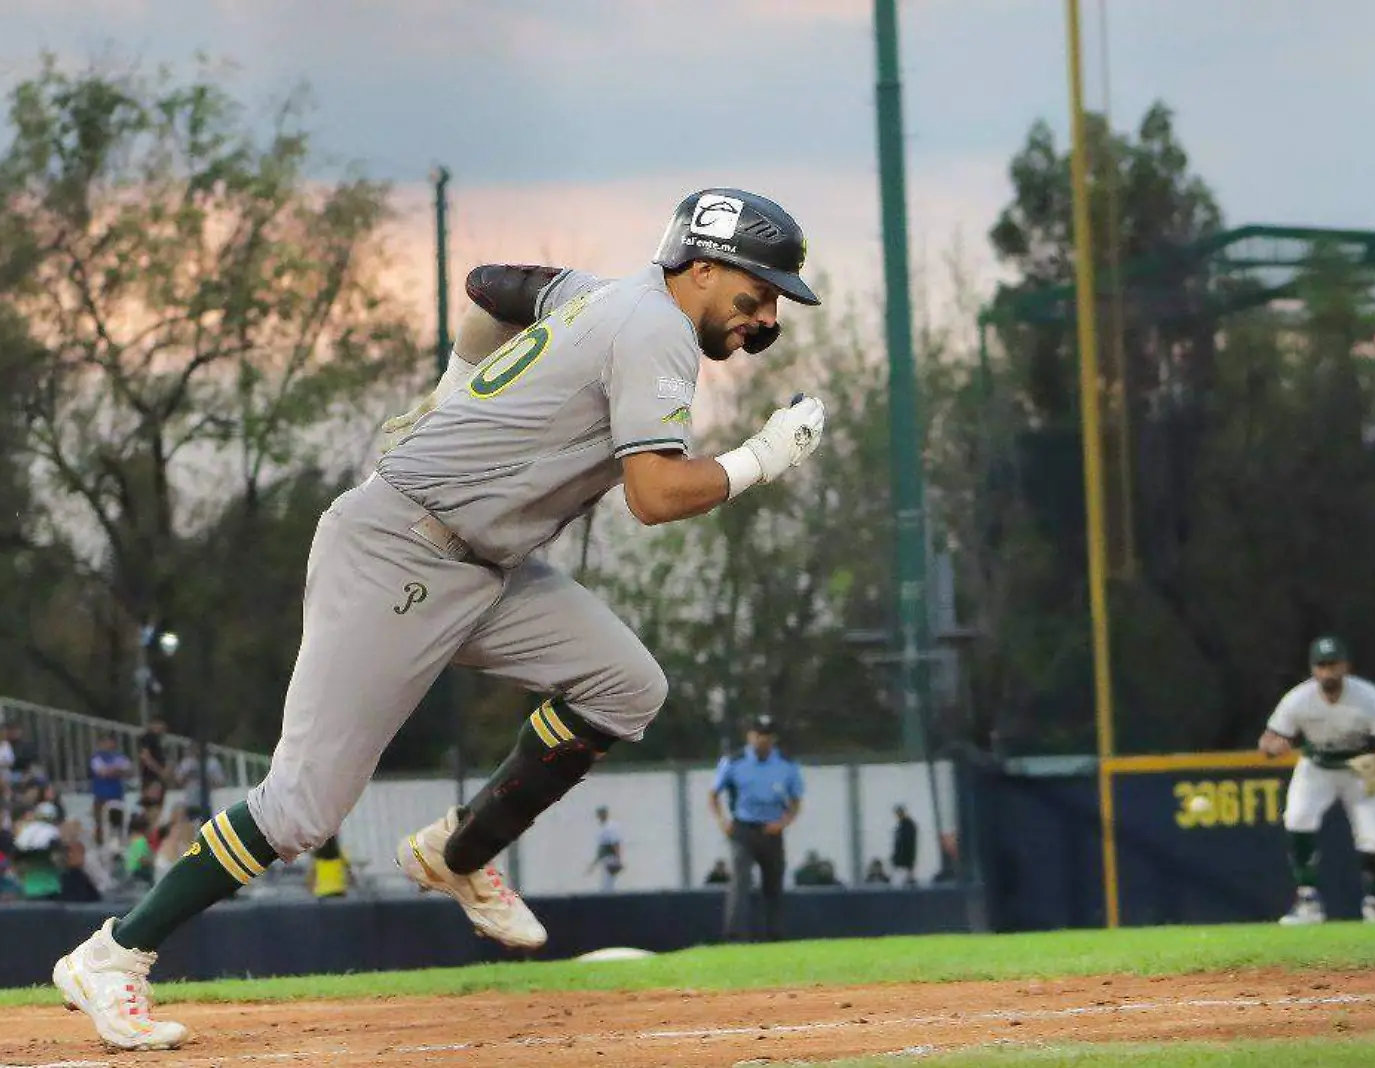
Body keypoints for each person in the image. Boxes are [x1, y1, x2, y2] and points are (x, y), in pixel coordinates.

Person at [51, 188, 827, 1051]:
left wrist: (453, 391)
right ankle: (113, 955)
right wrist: (760, 459)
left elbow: (489, 284)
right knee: (303, 808)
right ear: (703, 267)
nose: (761, 320)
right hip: (400, 553)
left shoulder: (600, 294)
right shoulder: (656, 328)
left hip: (483, 564)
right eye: (754, 295)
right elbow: (653, 497)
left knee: (626, 685)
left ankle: (456, 855)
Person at [1258, 635, 1375, 926]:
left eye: (1333, 664)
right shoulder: (1299, 698)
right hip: (1317, 766)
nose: (1328, 672)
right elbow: (1268, 739)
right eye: (1322, 665)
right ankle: (1307, 901)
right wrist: (1272, 748)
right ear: (1313, 669)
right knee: (1298, 819)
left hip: (1362, 765)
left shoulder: (1369, 697)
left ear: (1345, 666)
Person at [708, 715, 804, 942]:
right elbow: (713, 795)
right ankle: (736, 935)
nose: (763, 740)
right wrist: (723, 822)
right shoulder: (734, 762)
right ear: (750, 736)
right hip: (743, 829)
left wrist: (782, 823)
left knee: (773, 882)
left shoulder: (786, 765)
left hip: (772, 830)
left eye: (768, 736)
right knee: (740, 881)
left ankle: (775, 935)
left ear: (774, 738)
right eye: (759, 735)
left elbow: (796, 801)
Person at [87, 736, 133, 846]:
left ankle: (120, 846)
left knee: (120, 825)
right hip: (101, 798)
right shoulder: (96, 758)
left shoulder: (119, 757)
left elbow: (129, 770)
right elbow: (102, 772)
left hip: (117, 797)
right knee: (101, 825)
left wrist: (112, 771)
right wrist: (117, 771)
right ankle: (100, 847)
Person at [587, 805, 625, 891]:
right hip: (604, 858)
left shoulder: (610, 827)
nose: (600, 816)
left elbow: (615, 843)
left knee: (608, 882)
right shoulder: (603, 827)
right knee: (605, 882)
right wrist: (593, 864)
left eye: (602, 813)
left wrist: (618, 859)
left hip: (610, 858)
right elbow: (601, 850)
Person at [138, 718, 173, 808]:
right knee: (151, 802)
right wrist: (159, 770)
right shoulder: (149, 738)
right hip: (151, 776)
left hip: (157, 776)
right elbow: (145, 756)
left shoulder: (160, 740)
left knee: (158, 802)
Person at [891, 803, 919, 887]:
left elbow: (909, 846)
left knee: (900, 884)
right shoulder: (902, 826)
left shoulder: (907, 826)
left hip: (905, 863)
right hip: (902, 863)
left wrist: (909, 864)